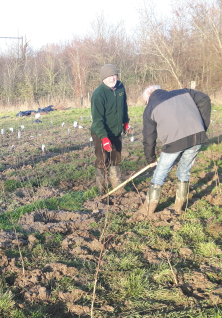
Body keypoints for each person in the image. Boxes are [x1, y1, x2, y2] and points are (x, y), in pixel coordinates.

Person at [140, 85, 211, 214]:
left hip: (174, 142)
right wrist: (202, 125)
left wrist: (150, 159)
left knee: (159, 175)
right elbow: (204, 99)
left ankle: (148, 210)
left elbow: (149, 137)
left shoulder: (150, 107)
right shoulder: (184, 92)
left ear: (148, 99)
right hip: (197, 136)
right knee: (185, 171)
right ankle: (178, 207)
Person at [90, 64, 130, 196]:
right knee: (103, 159)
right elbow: (97, 120)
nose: (112, 78)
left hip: (116, 131)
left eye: (114, 75)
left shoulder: (120, 87)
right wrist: (104, 138)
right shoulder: (98, 94)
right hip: (101, 132)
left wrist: (125, 121)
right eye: (108, 77)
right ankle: (101, 189)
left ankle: (117, 186)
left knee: (116, 157)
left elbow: (124, 106)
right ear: (103, 79)